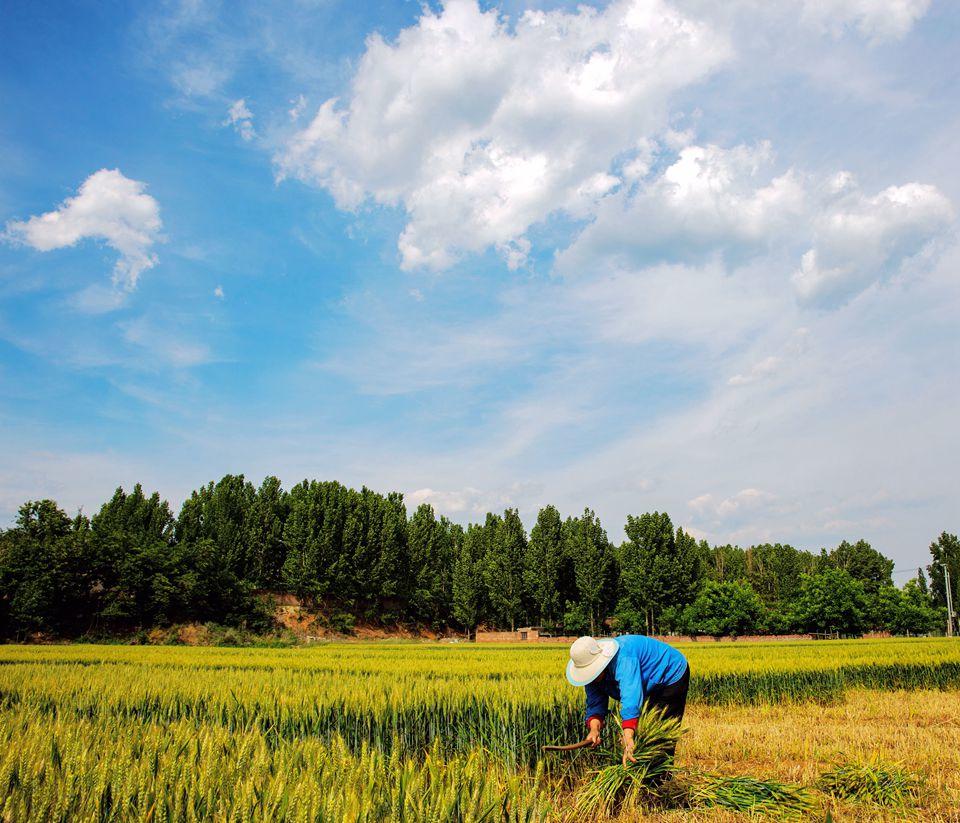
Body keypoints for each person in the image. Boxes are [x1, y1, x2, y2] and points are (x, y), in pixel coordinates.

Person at [566, 634, 690, 766]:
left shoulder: (624, 658)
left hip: (670, 674)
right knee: (642, 732)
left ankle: (661, 779)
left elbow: (631, 695)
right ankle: (644, 773)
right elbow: (595, 703)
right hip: (648, 681)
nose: (591, 675)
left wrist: (628, 736)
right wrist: (594, 730)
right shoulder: (591, 674)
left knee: (660, 735)